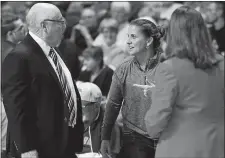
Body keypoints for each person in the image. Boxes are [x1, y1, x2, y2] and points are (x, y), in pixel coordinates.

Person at [1, 3, 84, 158]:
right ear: (44, 26)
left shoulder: (54, 51)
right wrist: (27, 148)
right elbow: (16, 106)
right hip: (38, 148)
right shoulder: (19, 57)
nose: (64, 27)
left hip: (62, 143)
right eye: (60, 22)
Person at [144, 6, 224, 158]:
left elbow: (155, 124)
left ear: (173, 33)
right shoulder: (222, 64)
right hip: (217, 148)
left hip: (180, 149)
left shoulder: (169, 69)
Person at [100, 18, 165, 158]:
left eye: (133, 37)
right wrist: (105, 137)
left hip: (166, 138)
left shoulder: (167, 66)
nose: (128, 41)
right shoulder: (123, 67)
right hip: (134, 135)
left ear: (148, 41)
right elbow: (112, 104)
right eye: (127, 36)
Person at [76, 82, 121, 158]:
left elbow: (109, 156)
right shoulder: (73, 119)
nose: (78, 109)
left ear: (96, 106)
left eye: (82, 105)